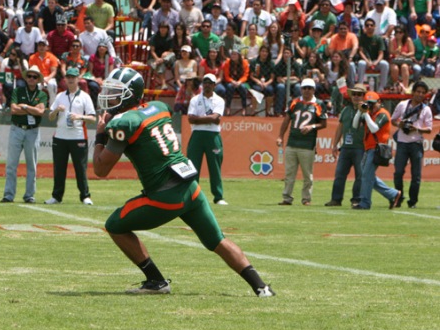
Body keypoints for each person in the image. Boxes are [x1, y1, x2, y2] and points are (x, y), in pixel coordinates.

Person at [92, 67, 275, 297]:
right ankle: (262, 288)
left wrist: (100, 134)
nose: (110, 96)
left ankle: (156, 281)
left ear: (130, 94)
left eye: (116, 92)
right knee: (218, 240)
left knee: (114, 225)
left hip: (164, 195)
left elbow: (100, 169)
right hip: (190, 187)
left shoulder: (123, 123)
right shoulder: (158, 107)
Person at [45, 67, 96, 206]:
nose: (71, 79)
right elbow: (50, 117)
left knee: (80, 168)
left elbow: (93, 118)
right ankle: (56, 196)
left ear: (78, 79)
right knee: (59, 168)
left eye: (73, 77)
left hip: (78, 136)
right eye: (68, 77)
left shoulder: (85, 96)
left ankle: (85, 196)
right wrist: (56, 110)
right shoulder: (60, 95)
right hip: (60, 137)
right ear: (65, 79)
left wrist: (79, 116)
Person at [0, 65, 48, 204]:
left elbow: (40, 112)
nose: (31, 79)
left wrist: (25, 107)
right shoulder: (18, 91)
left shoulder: (42, 94)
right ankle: (9, 194)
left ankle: (29, 195)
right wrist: (32, 109)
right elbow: (14, 110)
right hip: (17, 128)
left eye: (34, 76)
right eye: (29, 76)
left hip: (33, 130)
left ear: (38, 79)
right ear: (26, 78)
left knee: (31, 165)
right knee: (11, 164)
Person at [277, 78, 328, 206]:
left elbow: (324, 123)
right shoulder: (294, 102)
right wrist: (280, 136)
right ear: (301, 89)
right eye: (304, 88)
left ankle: (306, 199)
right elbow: (286, 120)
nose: (306, 91)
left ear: (314, 90)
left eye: (309, 88)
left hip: (307, 144)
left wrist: (312, 127)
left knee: (307, 174)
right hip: (292, 142)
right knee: (289, 173)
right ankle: (287, 198)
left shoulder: (319, 104)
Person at [352, 92, 402, 210]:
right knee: (368, 176)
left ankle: (365, 202)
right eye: (368, 103)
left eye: (373, 104)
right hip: (368, 148)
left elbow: (374, 128)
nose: (371, 106)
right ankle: (393, 194)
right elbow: (354, 125)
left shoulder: (383, 114)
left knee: (366, 176)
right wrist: (360, 111)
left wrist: (366, 114)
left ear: (379, 102)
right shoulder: (368, 113)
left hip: (377, 149)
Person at [391, 81, 433, 208]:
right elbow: (393, 120)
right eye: (418, 91)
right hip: (402, 143)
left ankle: (413, 201)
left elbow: (429, 129)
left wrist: (416, 128)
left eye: (422, 93)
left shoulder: (426, 109)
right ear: (413, 92)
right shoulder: (403, 105)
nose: (420, 94)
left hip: (416, 143)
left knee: (416, 175)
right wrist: (400, 125)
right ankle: (399, 196)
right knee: (398, 172)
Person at [187, 73, 228, 205]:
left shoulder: (219, 100)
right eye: (205, 82)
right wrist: (209, 119)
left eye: (210, 83)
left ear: (214, 85)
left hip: (213, 135)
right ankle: (192, 195)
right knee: (193, 166)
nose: (207, 85)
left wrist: (199, 119)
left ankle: (218, 196)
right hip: (197, 135)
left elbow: (215, 118)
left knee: (215, 166)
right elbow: (190, 119)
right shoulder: (195, 99)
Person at [324, 84, 367, 207]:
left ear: (363, 96)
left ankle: (356, 199)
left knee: (360, 175)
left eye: (359, 94)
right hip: (346, 147)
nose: (356, 97)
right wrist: (335, 145)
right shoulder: (345, 110)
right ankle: (336, 199)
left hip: (360, 146)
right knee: (339, 174)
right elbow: (340, 128)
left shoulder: (366, 110)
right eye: (354, 94)